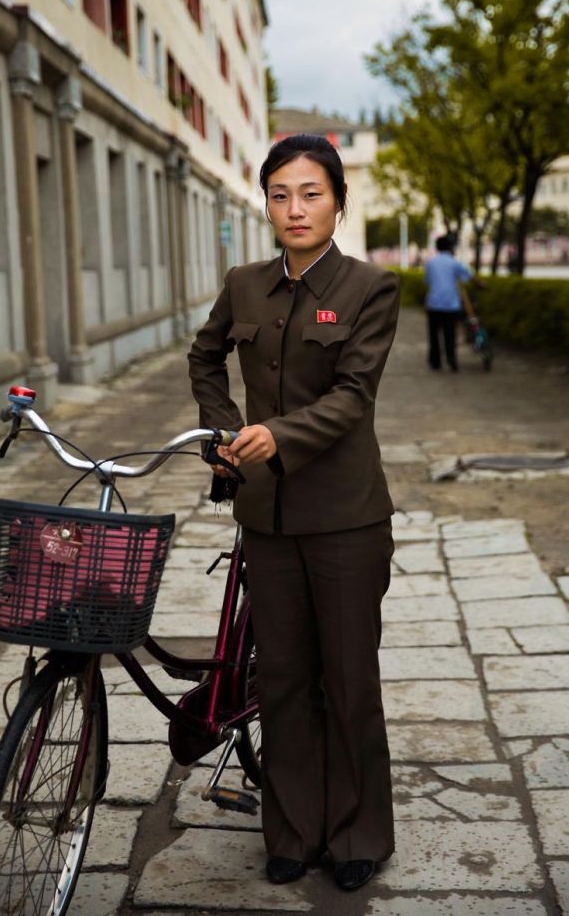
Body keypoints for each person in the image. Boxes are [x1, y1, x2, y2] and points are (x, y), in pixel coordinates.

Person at [188, 134, 400, 892]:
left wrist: (275, 434)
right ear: (266, 204)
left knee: (346, 679)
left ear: (338, 201)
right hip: (268, 519)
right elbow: (203, 356)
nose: (295, 208)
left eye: (311, 193)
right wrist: (221, 430)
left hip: (346, 519)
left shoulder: (372, 288)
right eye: (280, 194)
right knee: (280, 679)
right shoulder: (245, 283)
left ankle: (356, 835)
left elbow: (352, 397)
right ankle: (291, 830)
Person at [424, 234, 472, 372]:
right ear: (450, 247)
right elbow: (467, 277)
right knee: (450, 334)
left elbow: (427, 281)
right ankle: (452, 360)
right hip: (451, 305)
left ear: (437, 247)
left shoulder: (430, 263)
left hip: (433, 303)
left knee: (434, 335)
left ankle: (435, 362)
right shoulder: (454, 262)